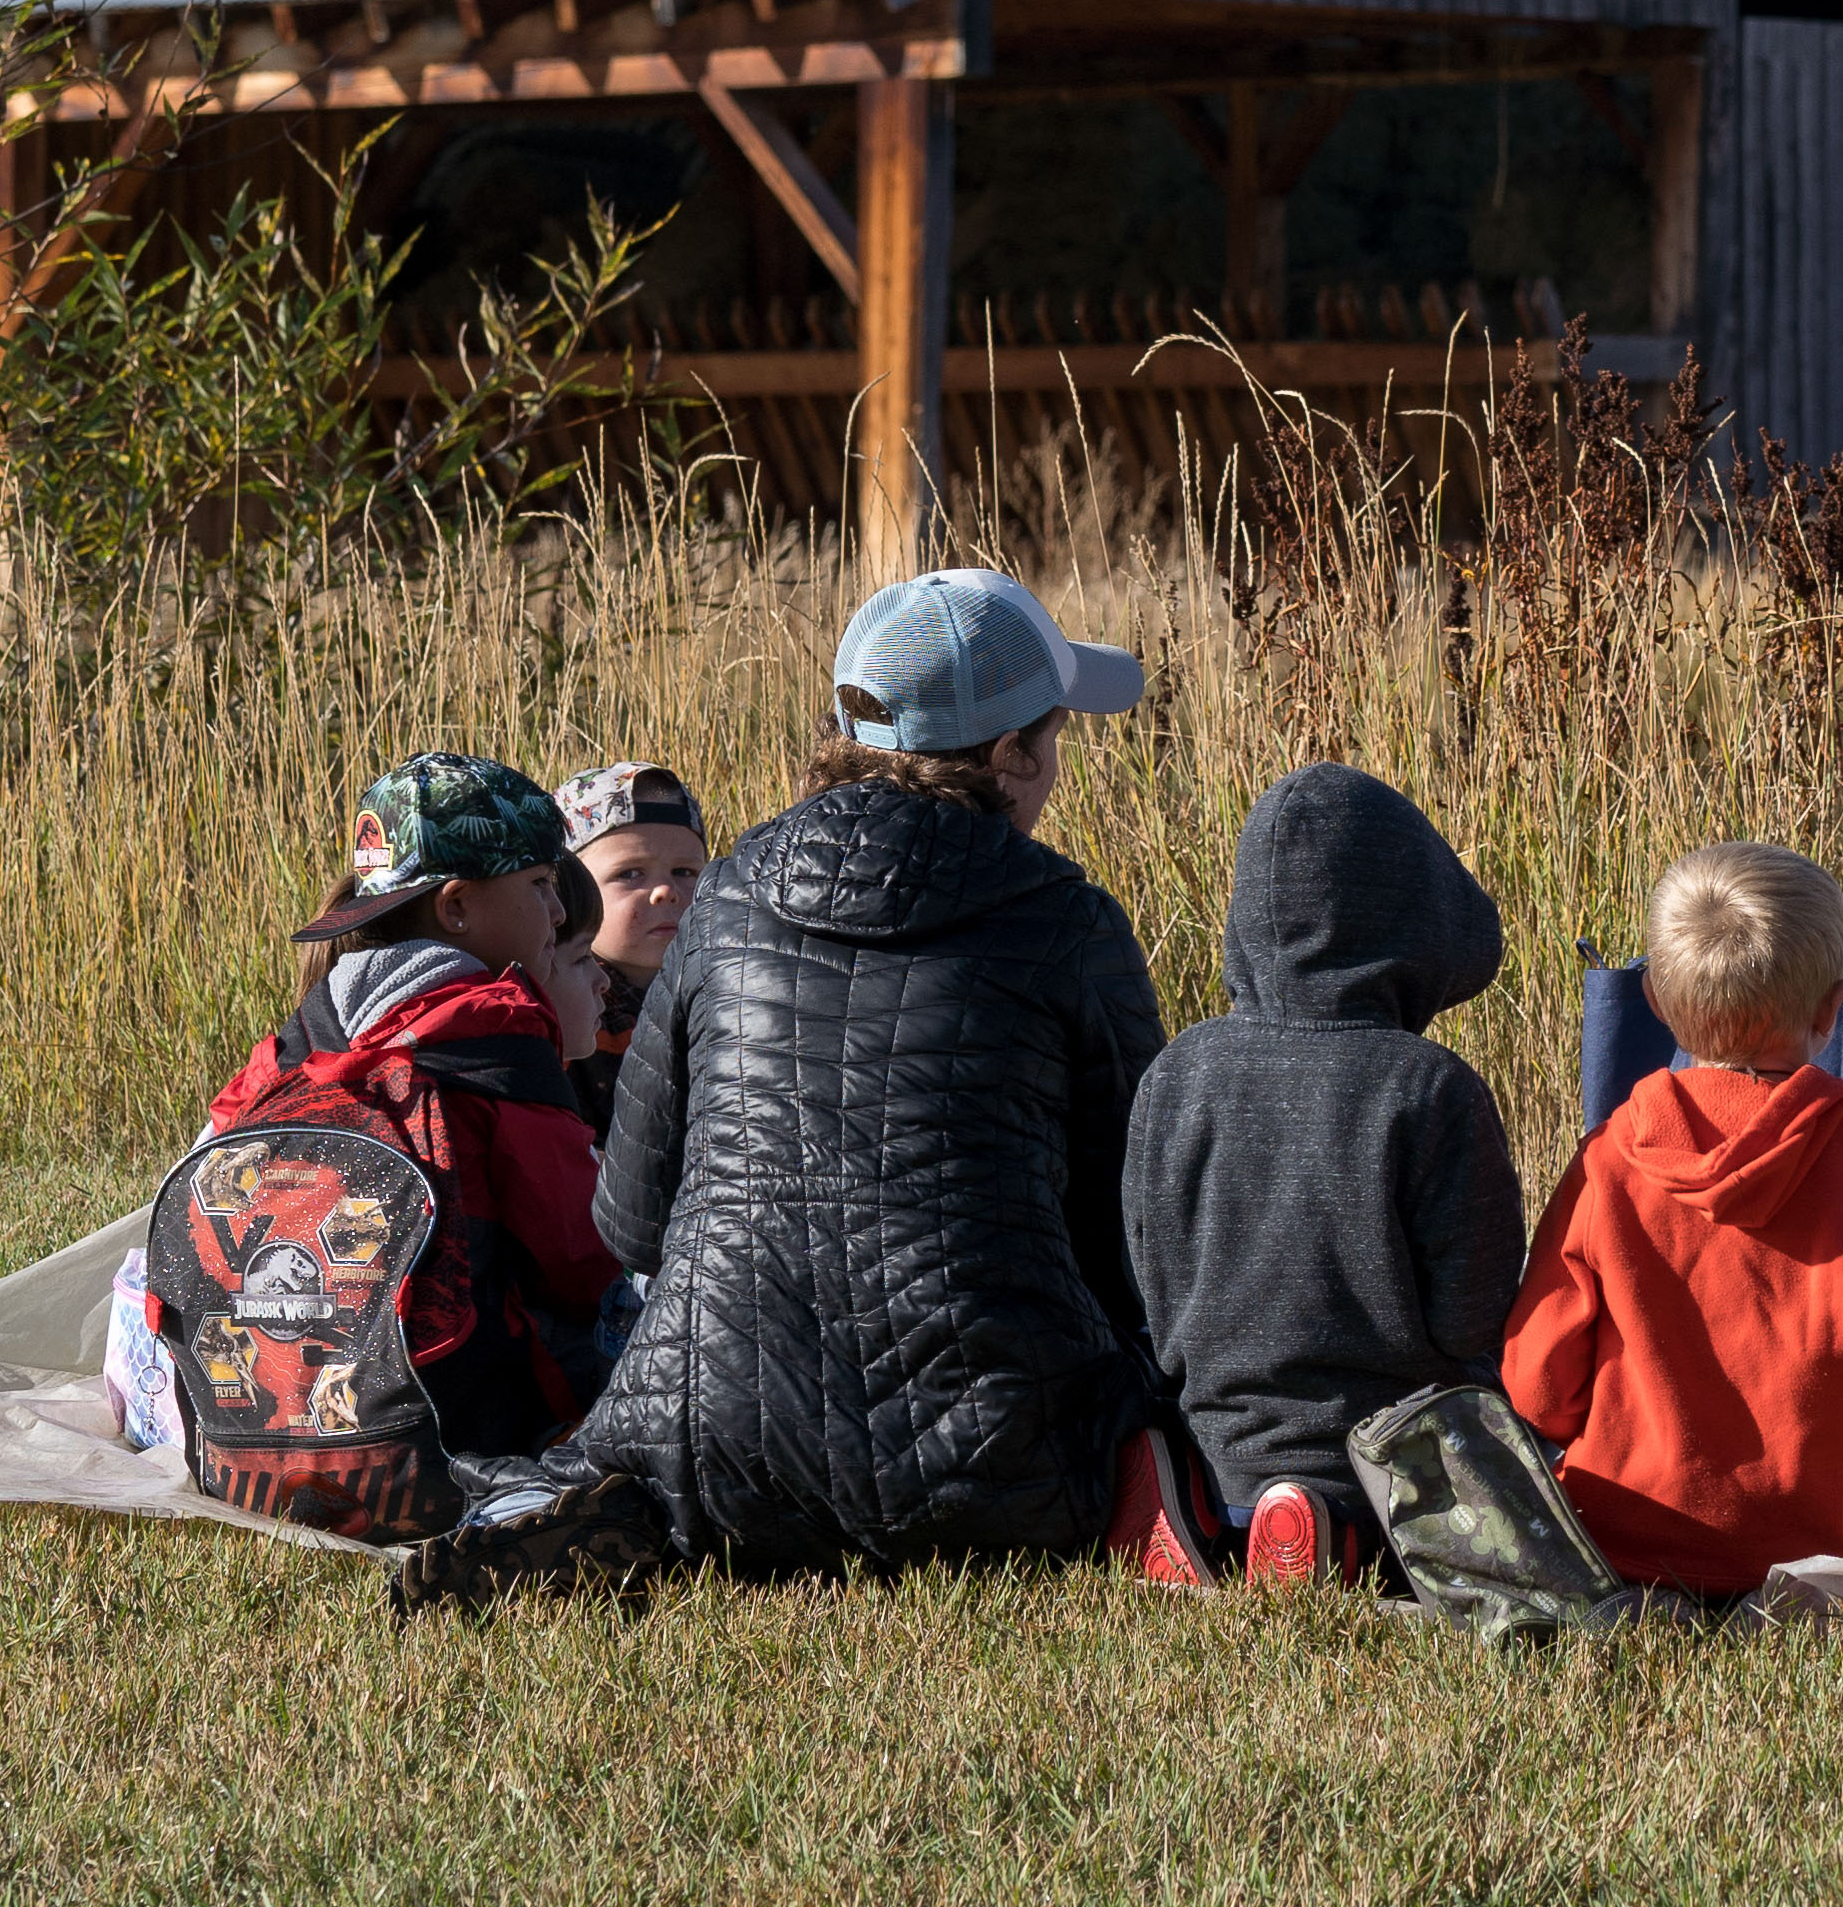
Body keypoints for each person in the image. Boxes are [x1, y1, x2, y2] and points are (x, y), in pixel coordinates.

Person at [568, 567, 1166, 1575]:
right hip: (1010, 1474)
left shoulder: (720, 902)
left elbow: (630, 1218)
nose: (1056, 765)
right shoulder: (1070, 920)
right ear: (1009, 753)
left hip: (711, 1461)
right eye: (1053, 738)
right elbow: (1140, 1237)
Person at [1498, 843, 1843, 1595]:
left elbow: (1538, 1391)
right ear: (1833, 1007)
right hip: (1834, 1558)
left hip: (1629, 1550)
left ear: (1651, 1001)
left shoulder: (1605, 1167)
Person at [1115, 763, 1521, 1587]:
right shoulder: (1428, 1088)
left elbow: (1147, 1279)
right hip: (1388, 1462)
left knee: (1196, 1420)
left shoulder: (1176, 1071)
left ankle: (1196, 1507)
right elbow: (1471, 1318)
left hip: (1216, 1437)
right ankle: (1328, 1526)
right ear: (1417, 923)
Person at [194, 753, 622, 1459]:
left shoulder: (293, 1046)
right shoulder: (497, 1044)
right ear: (455, 906)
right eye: (541, 883)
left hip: (250, 1430)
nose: (555, 909)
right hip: (443, 1433)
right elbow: (581, 1264)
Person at [551, 759, 707, 1136]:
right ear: (567, 892)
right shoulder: (564, 1007)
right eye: (630, 873)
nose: (665, 892)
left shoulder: (726, 989)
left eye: (685, 873)